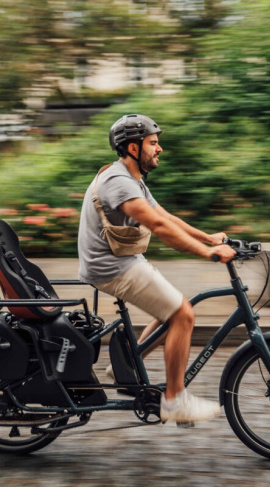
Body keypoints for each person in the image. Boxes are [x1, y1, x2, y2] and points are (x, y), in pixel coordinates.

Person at [78, 114, 236, 424]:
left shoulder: (131, 178)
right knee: (183, 315)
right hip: (110, 267)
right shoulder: (117, 181)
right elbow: (159, 226)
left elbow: (164, 214)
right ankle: (175, 401)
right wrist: (208, 253)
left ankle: (120, 366)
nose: (159, 148)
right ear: (133, 149)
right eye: (153, 143)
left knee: (175, 306)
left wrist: (208, 237)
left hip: (123, 260)